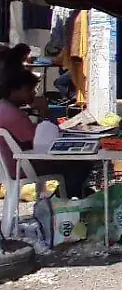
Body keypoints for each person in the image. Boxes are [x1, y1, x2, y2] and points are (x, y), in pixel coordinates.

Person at [0, 69, 91, 198]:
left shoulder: (4, 108)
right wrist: (45, 112)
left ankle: (69, 195)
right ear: (14, 90)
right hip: (21, 166)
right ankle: (66, 199)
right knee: (79, 165)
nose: (33, 94)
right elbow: (40, 142)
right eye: (29, 90)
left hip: (10, 165)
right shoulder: (13, 114)